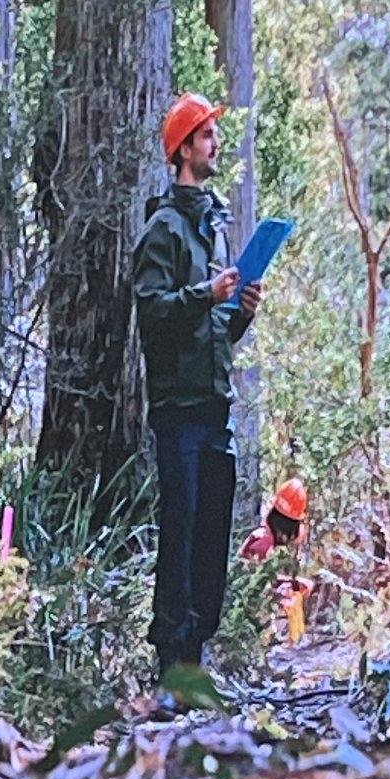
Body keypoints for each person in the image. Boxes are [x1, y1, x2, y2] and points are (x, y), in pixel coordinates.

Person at [132, 94, 264, 704]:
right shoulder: (163, 228)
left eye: (215, 133)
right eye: (206, 135)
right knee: (179, 532)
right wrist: (204, 296)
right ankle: (170, 670)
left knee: (213, 532)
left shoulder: (215, 225)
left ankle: (197, 660)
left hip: (216, 406)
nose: (215, 144)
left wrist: (237, 314)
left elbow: (212, 327)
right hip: (178, 411)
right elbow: (154, 315)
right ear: (184, 148)